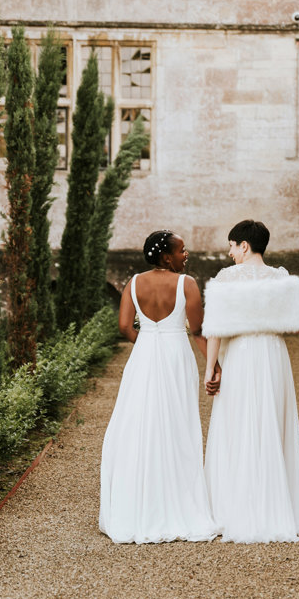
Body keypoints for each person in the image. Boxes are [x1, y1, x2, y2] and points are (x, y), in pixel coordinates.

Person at [99, 230, 222, 544]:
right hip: (175, 357)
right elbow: (198, 330)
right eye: (182, 250)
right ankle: (177, 499)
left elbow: (125, 326)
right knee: (177, 424)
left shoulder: (134, 283)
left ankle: (139, 500)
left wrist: (147, 343)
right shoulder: (187, 284)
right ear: (167, 256)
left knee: (140, 422)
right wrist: (215, 365)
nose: (186, 254)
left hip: (144, 356)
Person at [202, 220, 299, 543]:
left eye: (231, 246)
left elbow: (216, 327)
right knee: (271, 421)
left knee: (236, 422)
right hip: (272, 353)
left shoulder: (225, 278)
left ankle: (232, 506)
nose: (229, 252)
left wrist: (211, 368)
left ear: (245, 246)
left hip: (239, 353)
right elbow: (296, 325)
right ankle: (276, 504)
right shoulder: (282, 277)